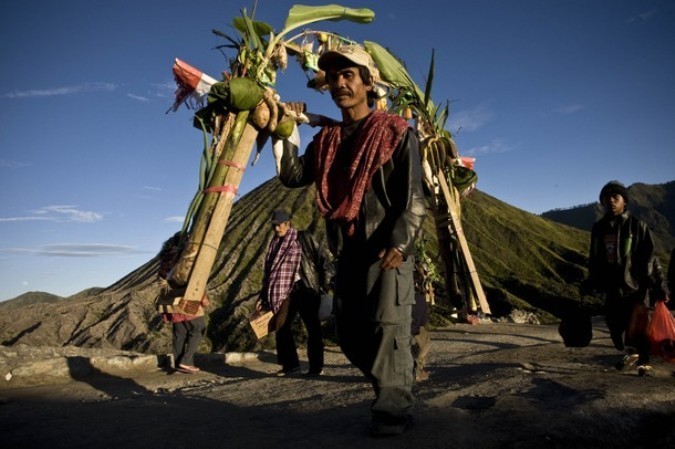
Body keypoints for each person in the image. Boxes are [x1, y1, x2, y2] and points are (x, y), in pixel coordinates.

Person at [278, 44, 427, 437]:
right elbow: (293, 177)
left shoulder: (395, 134)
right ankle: (397, 375)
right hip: (346, 250)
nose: (340, 83)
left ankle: (392, 411)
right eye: (334, 77)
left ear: (368, 82)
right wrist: (287, 128)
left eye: (349, 76)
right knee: (350, 333)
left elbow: (413, 198)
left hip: (386, 250)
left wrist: (400, 242)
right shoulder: (327, 141)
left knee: (388, 328)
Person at [582, 180, 669, 376]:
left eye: (616, 197)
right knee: (615, 328)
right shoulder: (599, 228)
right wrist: (591, 280)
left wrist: (659, 285)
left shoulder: (637, 226)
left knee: (638, 327)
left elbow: (651, 258)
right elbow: (594, 257)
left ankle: (643, 361)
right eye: (606, 198)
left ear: (625, 202)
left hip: (636, 285)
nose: (610, 201)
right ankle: (631, 352)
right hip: (611, 286)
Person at [259, 209, 334, 377]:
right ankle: (290, 365)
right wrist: (263, 296)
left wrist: (324, 286)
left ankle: (316, 367)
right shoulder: (274, 245)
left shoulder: (304, 238)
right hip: (285, 292)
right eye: (274, 226)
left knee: (312, 328)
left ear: (288, 224)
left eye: (279, 225)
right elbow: (269, 273)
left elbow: (323, 260)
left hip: (306, 289)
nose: (276, 229)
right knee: (281, 325)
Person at [155, 233, 210, 374]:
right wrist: (203, 297)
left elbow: (161, 280)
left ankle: (180, 364)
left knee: (180, 334)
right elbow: (192, 279)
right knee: (199, 327)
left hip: (172, 302)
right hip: (187, 299)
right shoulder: (183, 258)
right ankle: (186, 361)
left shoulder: (166, 258)